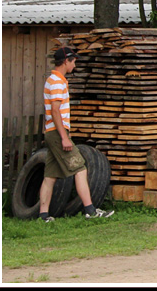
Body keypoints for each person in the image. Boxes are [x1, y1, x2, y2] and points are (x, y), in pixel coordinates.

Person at [38, 47, 114, 221]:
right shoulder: (57, 81)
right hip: (58, 133)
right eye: (73, 61)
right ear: (66, 61)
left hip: (51, 132)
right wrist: (64, 137)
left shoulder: (51, 79)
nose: (75, 65)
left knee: (50, 176)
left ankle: (43, 216)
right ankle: (91, 211)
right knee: (80, 168)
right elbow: (55, 111)